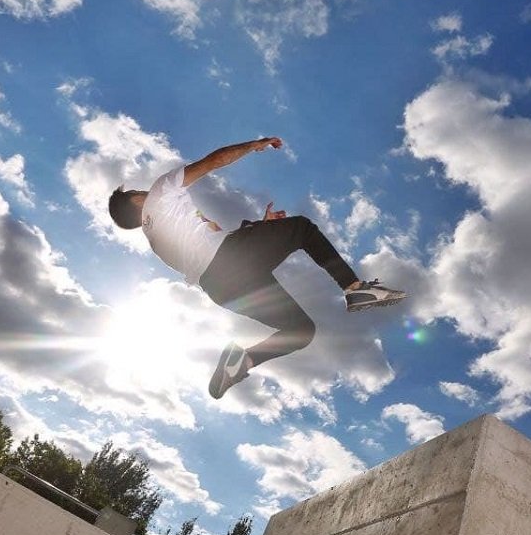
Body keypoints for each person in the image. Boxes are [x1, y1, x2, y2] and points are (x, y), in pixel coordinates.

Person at [108, 136, 407, 399]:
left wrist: (262, 228)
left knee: (301, 330)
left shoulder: (157, 242)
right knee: (302, 229)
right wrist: (254, 145)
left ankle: (243, 362)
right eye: (140, 191)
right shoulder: (160, 191)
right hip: (231, 258)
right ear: (136, 198)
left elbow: (212, 235)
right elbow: (214, 161)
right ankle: (354, 289)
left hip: (220, 287)